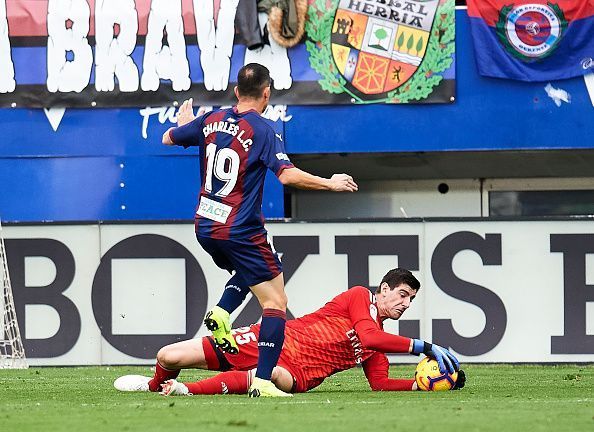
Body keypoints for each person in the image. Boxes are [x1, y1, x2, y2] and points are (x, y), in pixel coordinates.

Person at [161, 63, 358, 397]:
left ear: (237, 92)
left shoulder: (210, 120)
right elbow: (286, 175)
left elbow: (168, 137)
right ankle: (264, 381)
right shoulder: (264, 129)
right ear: (267, 93)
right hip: (241, 228)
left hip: (206, 226)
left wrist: (186, 127)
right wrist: (330, 183)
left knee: (260, 268)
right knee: (276, 301)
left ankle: (223, 313)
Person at [114, 268, 465, 396]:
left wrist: (421, 384)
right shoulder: (360, 297)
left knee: (267, 377)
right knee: (168, 355)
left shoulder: (378, 344)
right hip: (272, 340)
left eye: (412, 299)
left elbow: (380, 384)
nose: (405, 303)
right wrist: (425, 346)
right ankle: (152, 385)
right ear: (383, 289)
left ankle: (184, 390)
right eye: (402, 294)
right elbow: (370, 337)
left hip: (298, 373)